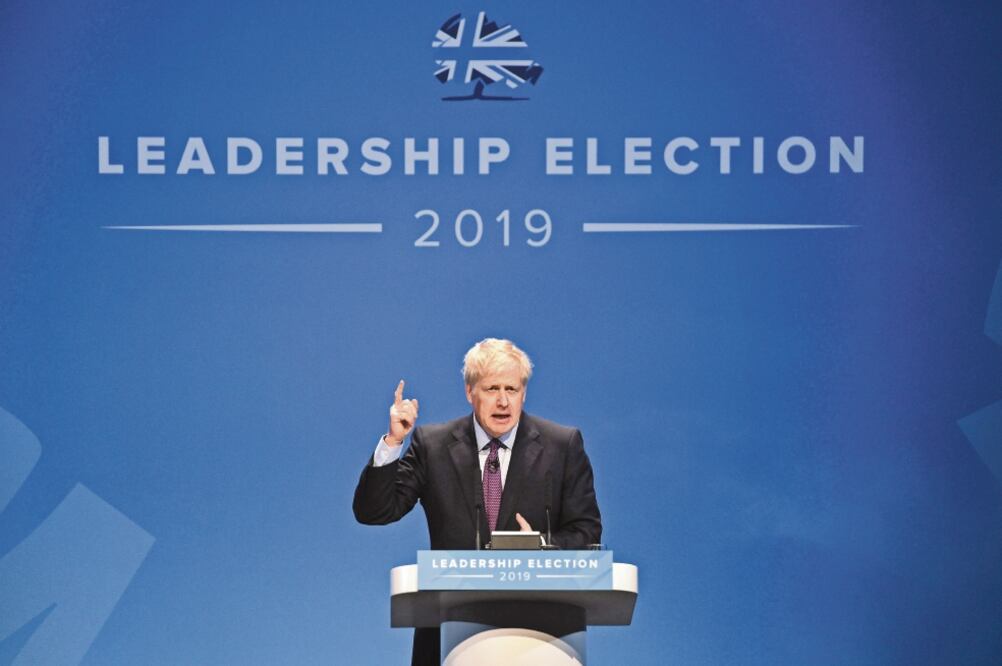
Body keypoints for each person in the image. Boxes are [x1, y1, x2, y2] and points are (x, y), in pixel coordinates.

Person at [352, 338, 602, 665]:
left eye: (512, 389)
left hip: (538, 637)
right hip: (448, 636)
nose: (502, 401)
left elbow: (588, 532)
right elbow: (375, 511)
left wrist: (539, 544)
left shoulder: (562, 446)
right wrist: (394, 441)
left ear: (524, 393)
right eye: (491, 388)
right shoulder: (433, 445)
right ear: (470, 392)